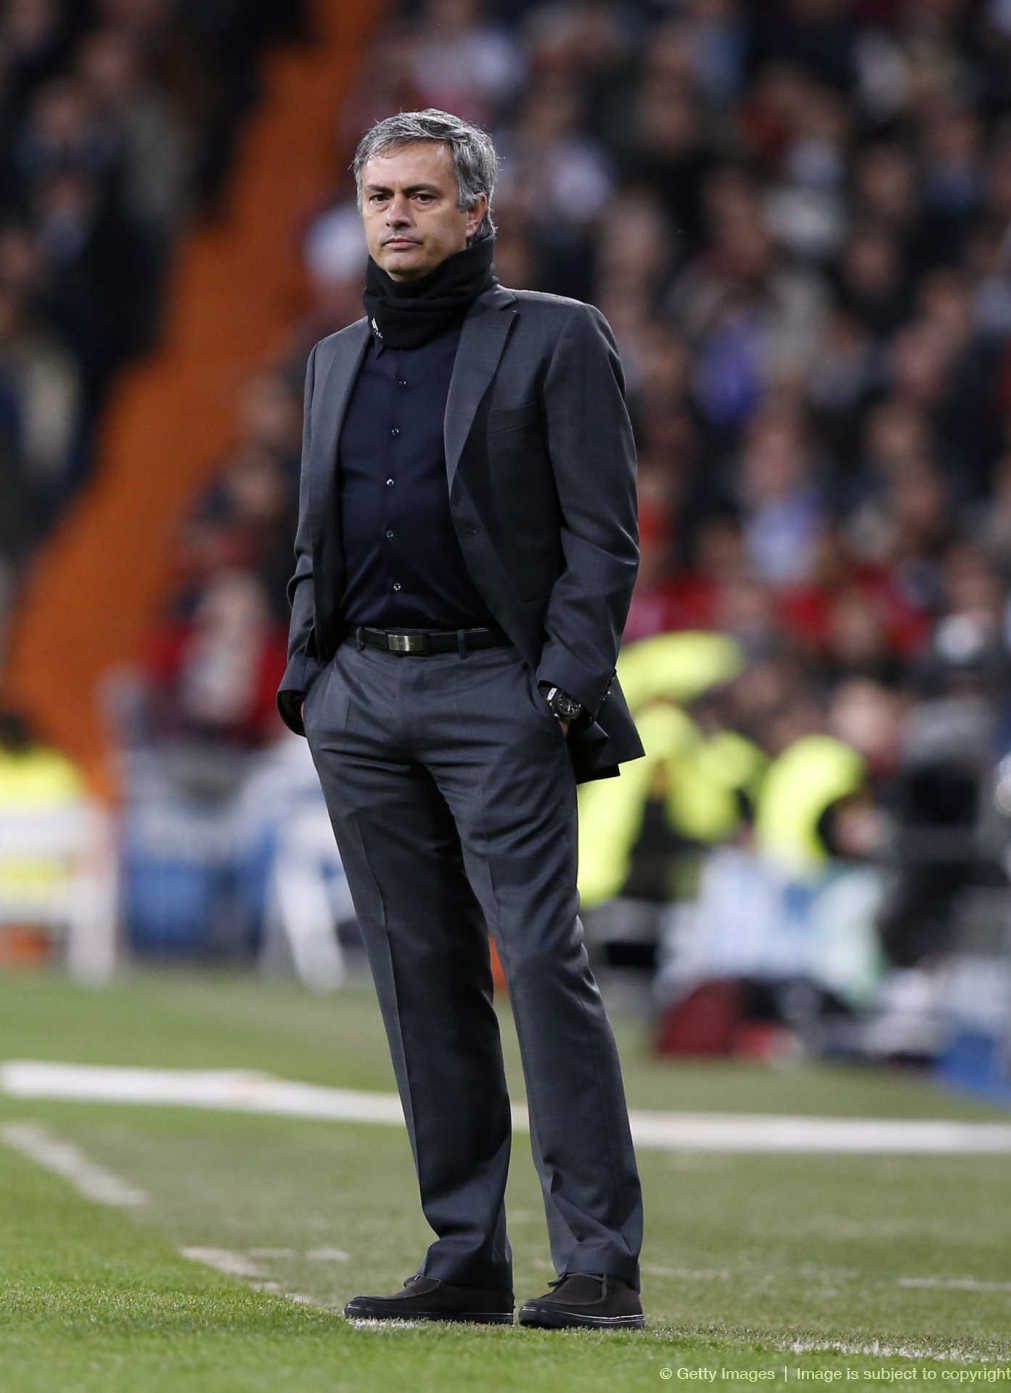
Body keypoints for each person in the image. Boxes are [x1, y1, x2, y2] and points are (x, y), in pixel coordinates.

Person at [277, 109, 645, 1331]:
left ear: (476, 210)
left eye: (421, 196)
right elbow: (314, 535)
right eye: (380, 196)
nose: (396, 215)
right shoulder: (333, 358)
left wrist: (561, 684)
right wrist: (309, 675)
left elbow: (604, 534)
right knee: (418, 976)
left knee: (539, 961)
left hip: (500, 689)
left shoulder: (557, 335)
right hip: (361, 699)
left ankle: (600, 1265)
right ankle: (466, 1256)